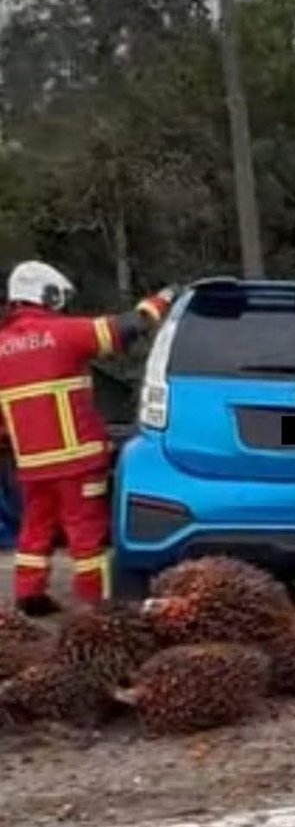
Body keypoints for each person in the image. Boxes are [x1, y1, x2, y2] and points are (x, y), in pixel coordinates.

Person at [0, 261, 179, 615]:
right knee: (87, 536)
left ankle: (28, 595)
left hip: (31, 465)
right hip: (76, 461)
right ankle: (97, 605)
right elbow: (128, 327)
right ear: (46, 295)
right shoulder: (65, 334)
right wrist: (163, 299)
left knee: (35, 530)